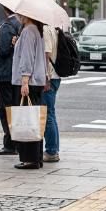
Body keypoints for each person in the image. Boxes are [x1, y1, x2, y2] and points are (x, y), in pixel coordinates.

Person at [12, 14, 48, 170]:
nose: (17, 16)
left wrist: (24, 80)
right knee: (34, 120)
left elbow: (27, 57)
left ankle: (29, 159)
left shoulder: (28, 31)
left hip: (28, 81)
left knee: (26, 120)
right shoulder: (37, 30)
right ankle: (36, 157)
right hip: (36, 81)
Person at [0, 6, 21, 156]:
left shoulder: (6, 27)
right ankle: (17, 142)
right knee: (14, 108)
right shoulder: (19, 24)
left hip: (4, 73)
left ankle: (9, 144)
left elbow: (3, 50)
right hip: (15, 73)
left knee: (6, 109)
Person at [42, 25, 61, 163]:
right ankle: (53, 149)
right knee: (51, 114)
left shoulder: (45, 30)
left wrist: (45, 76)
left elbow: (46, 54)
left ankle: (51, 151)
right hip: (54, 76)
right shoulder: (52, 29)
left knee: (47, 115)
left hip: (49, 77)